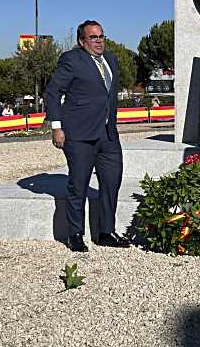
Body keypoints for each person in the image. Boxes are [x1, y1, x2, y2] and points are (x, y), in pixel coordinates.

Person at [45, 19, 129, 252]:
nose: (99, 40)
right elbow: (52, 92)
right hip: (79, 134)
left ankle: (106, 232)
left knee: (111, 183)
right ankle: (75, 234)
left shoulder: (111, 60)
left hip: (108, 134)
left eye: (101, 36)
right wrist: (56, 126)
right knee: (78, 186)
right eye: (93, 37)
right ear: (82, 41)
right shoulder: (71, 60)